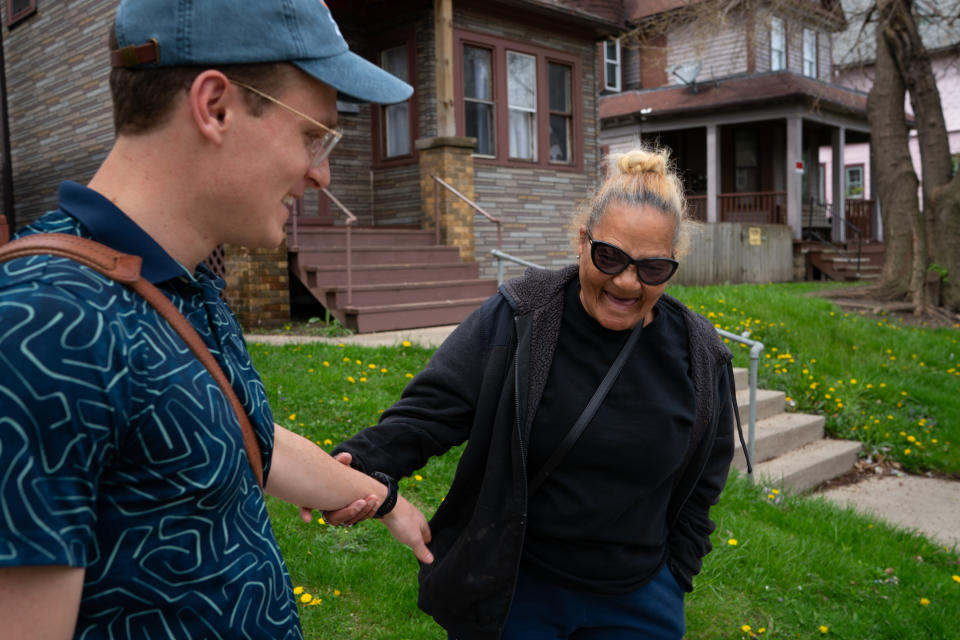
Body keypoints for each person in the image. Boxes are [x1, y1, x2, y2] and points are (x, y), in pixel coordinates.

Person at [0, 1, 434, 638]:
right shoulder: (38, 324)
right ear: (215, 107)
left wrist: (384, 500)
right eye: (313, 134)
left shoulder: (180, 274)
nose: (322, 172)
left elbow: (244, 439)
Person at [323, 147, 748, 640]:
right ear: (583, 240)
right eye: (610, 257)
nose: (627, 282)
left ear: (673, 264)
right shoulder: (521, 316)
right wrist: (358, 466)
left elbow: (704, 482)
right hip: (517, 593)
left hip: (640, 602)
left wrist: (676, 576)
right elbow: (429, 413)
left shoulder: (699, 353)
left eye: (652, 268)